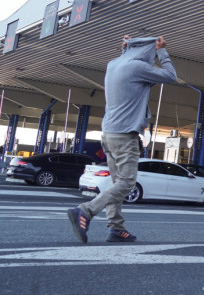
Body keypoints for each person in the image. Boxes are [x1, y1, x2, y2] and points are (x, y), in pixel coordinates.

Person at [67, 35, 177, 244]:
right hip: (125, 135)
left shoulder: (114, 64)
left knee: (116, 183)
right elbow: (170, 76)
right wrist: (162, 51)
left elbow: (131, 73)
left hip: (108, 133)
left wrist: (126, 50)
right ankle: (86, 210)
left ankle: (116, 228)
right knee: (127, 182)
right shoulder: (137, 67)